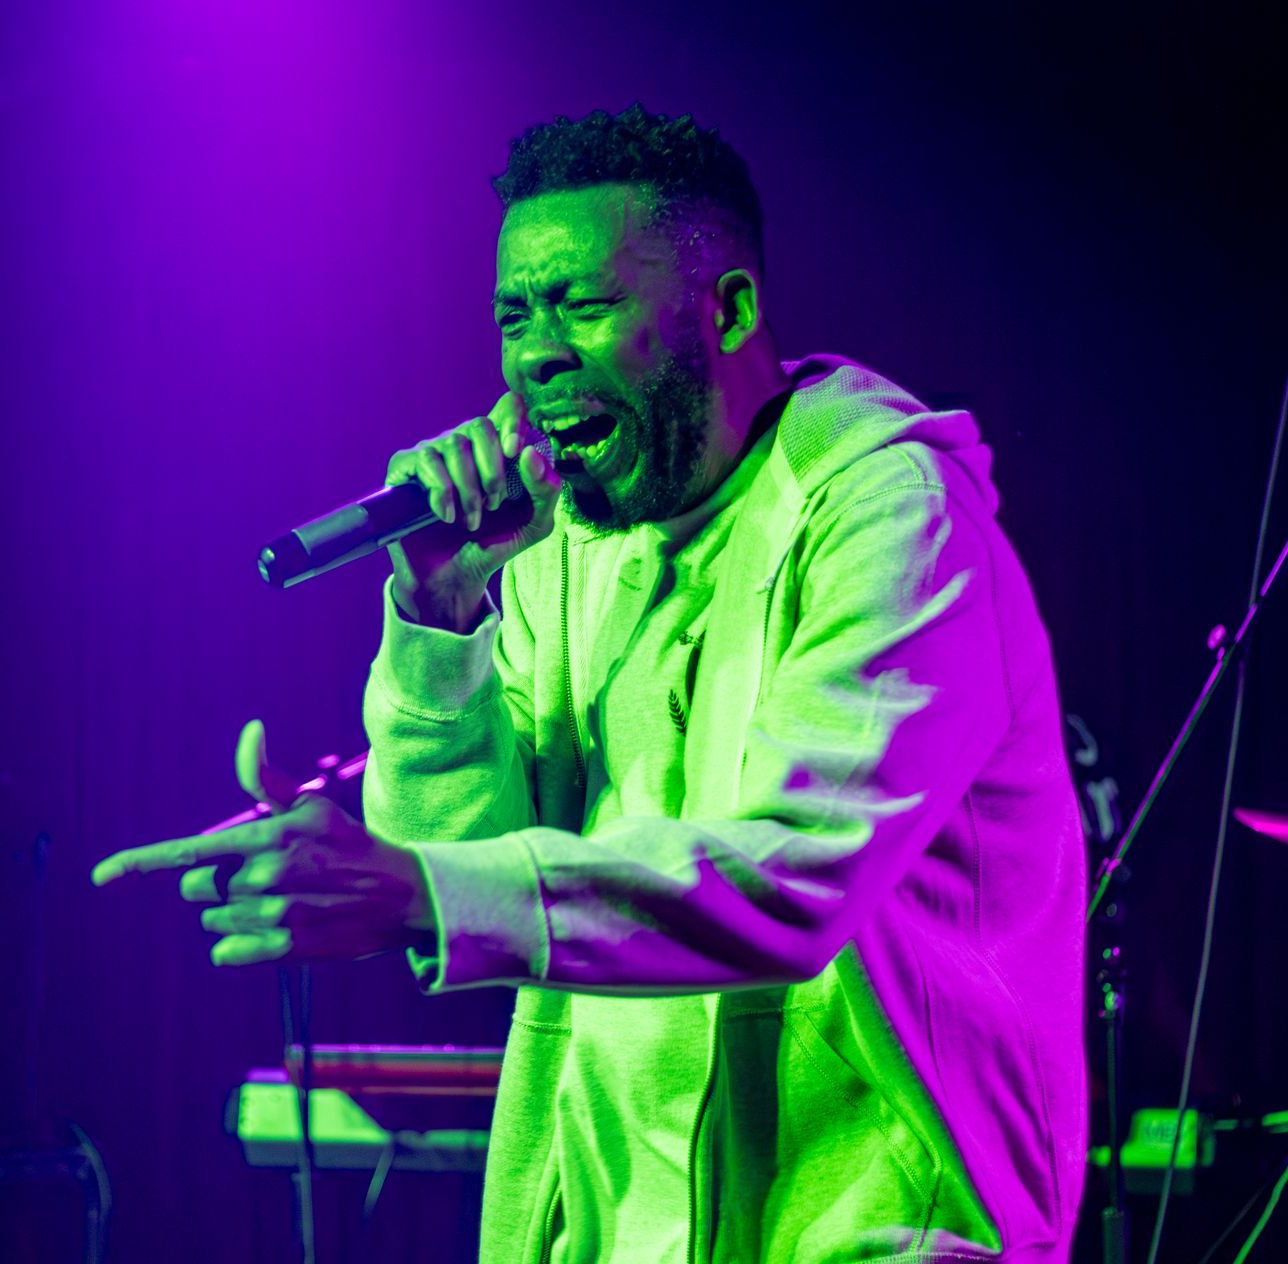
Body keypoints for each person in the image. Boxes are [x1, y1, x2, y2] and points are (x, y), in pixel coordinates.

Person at [95, 108, 1087, 1261]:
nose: (536, 353)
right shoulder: (569, 548)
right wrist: (441, 615)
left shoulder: (889, 514)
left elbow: (796, 876)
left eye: (584, 304)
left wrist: (422, 886)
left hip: (870, 1230)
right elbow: (462, 858)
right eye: (514, 314)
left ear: (731, 309)